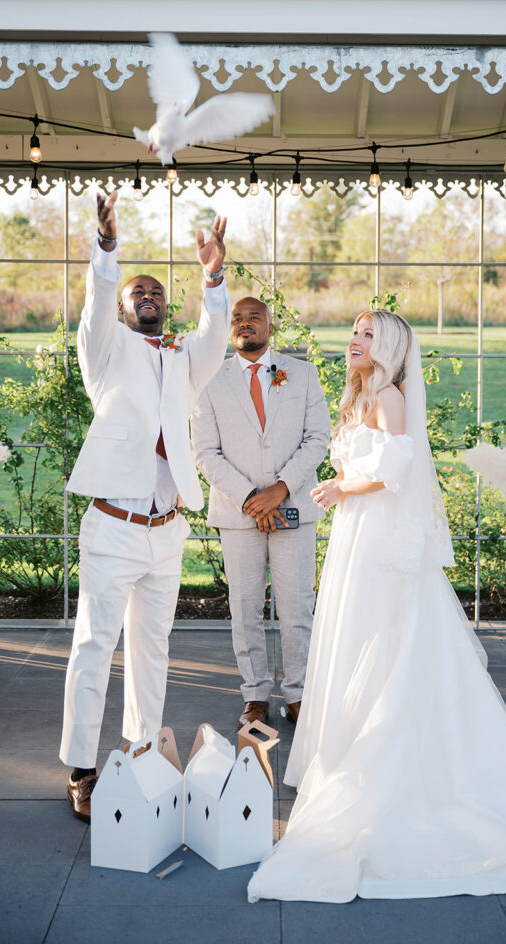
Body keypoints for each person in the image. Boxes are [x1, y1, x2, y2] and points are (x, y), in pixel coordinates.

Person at [247, 309, 506, 903]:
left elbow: (398, 471)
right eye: (356, 332)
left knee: (386, 640)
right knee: (352, 634)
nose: (356, 340)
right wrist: (343, 487)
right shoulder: (361, 396)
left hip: (378, 533)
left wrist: (344, 487)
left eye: (368, 335)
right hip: (356, 532)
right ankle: (348, 748)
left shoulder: (391, 398)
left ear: (389, 347)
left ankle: (389, 757)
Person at [60, 190, 230, 821]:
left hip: (167, 529)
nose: (151, 297)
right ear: (127, 307)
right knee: (94, 646)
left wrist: (213, 275)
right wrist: (107, 249)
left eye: (159, 291)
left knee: (152, 651)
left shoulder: (185, 359)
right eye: (140, 292)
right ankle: (80, 768)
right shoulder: (105, 353)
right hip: (112, 526)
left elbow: (215, 334)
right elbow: (99, 303)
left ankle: (140, 755)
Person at [191, 297, 330, 728]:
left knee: (297, 607)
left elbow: (317, 438)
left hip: (293, 511)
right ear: (230, 329)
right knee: (245, 607)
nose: (244, 323)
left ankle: (298, 693)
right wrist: (253, 497)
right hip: (239, 514)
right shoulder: (208, 381)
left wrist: (281, 490)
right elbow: (204, 452)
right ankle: (254, 695)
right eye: (236, 318)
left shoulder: (302, 374)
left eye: (254, 317)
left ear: (271, 325)